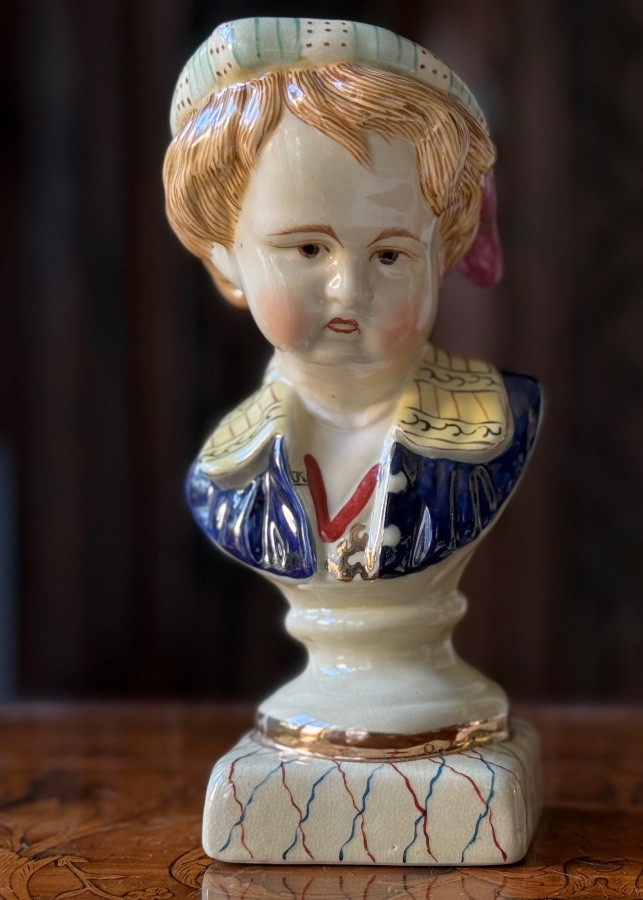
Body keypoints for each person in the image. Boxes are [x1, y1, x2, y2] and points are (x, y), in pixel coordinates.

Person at [165, 18, 539, 757]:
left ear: (444, 251)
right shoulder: (225, 474)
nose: (348, 286)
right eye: (307, 246)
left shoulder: (503, 422)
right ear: (225, 254)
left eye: (392, 254)